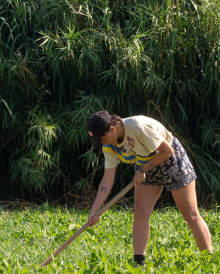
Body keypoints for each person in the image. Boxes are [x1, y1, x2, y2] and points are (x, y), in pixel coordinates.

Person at [84, 111, 212, 265]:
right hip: (144, 162)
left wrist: (143, 169)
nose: (103, 143)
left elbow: (167, 151)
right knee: (140, 212)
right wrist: (94, 210)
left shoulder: (138, 127)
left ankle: (208, 261)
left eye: (103, 139)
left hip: (170, 158)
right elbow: (106, 180)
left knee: (190, 214)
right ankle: (139, 263)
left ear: (112, 129)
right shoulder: (109, 147)